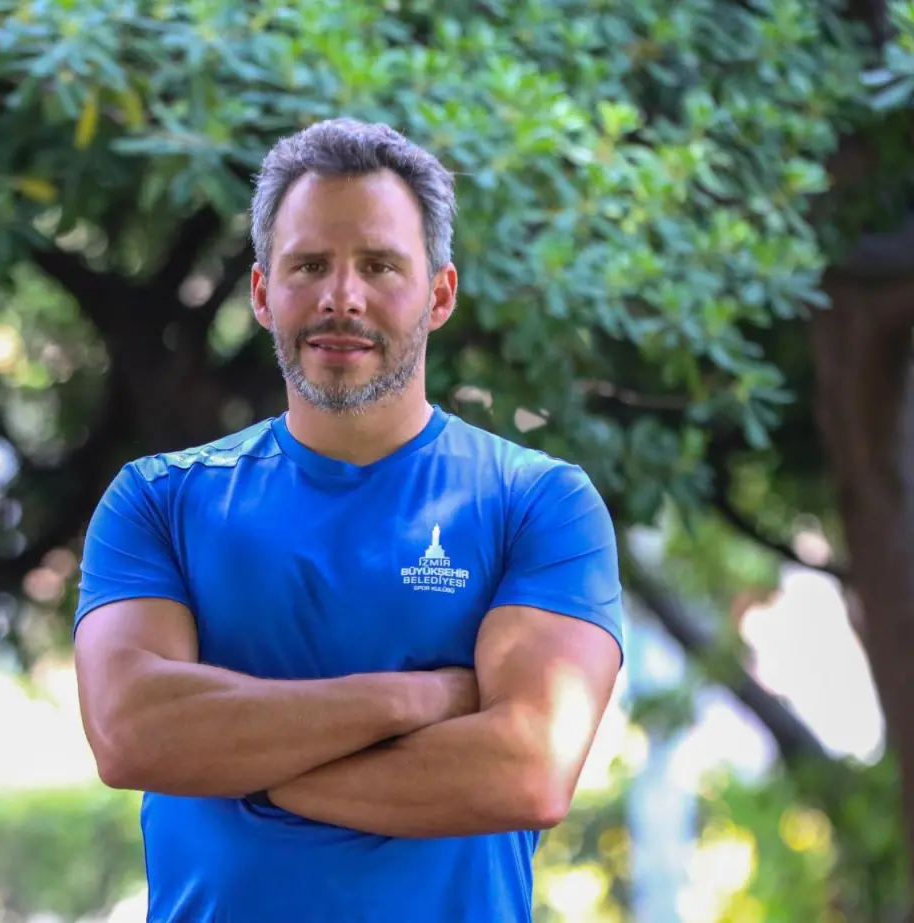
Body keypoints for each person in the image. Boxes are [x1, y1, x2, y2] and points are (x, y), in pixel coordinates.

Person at [73, 118, 625, 922]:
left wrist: (238, 761)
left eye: (378, 265)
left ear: (439, 294)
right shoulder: (159, 500)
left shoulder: (536, 502)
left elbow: (526, 769)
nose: (341, 297)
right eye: (309, 265)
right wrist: (416, 700)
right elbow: (130, 733)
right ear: (262, 292)